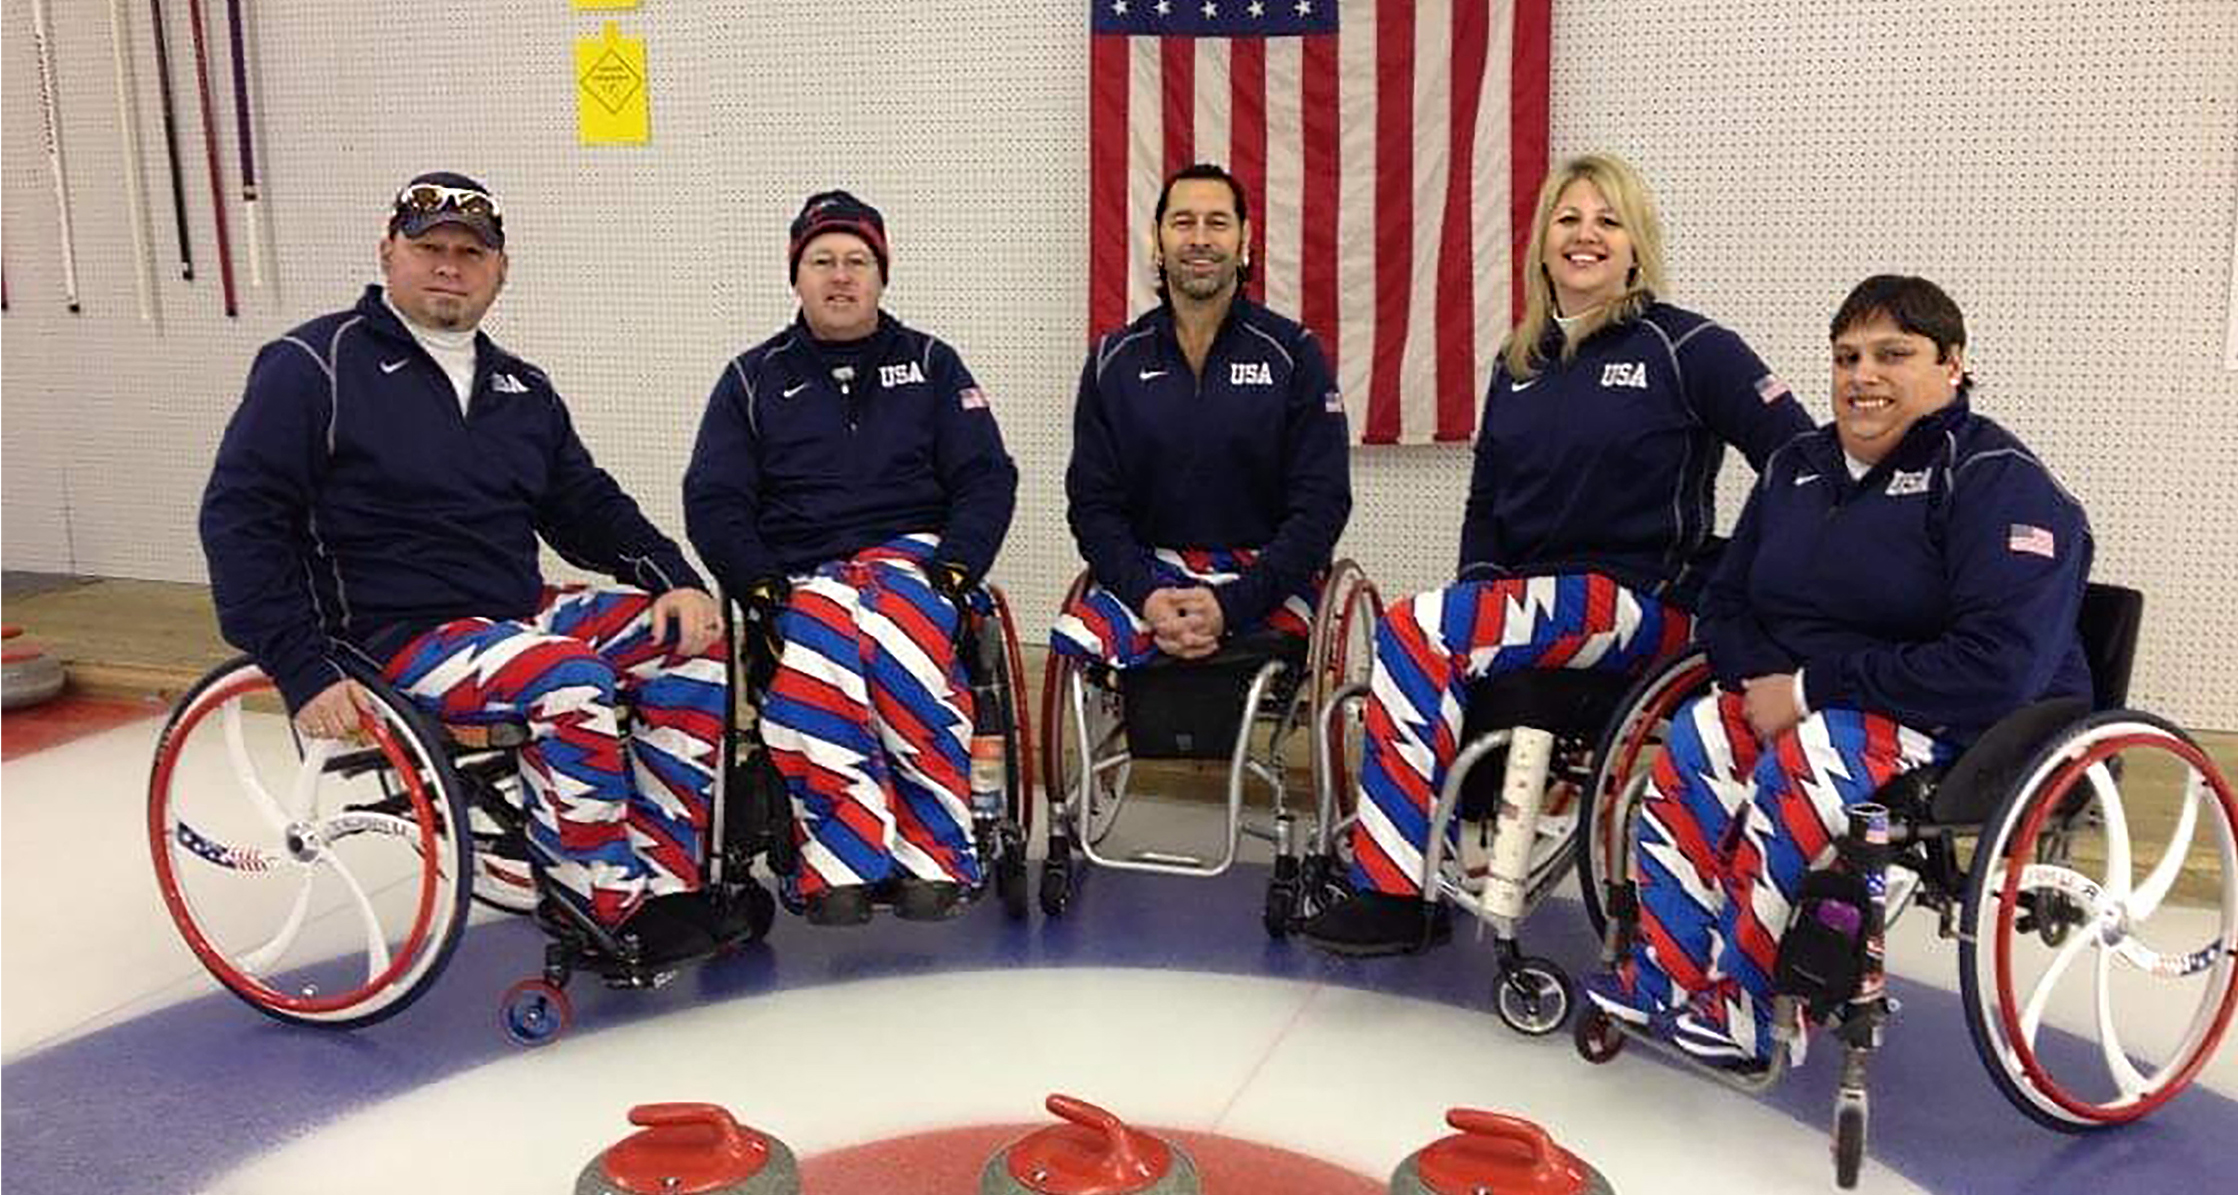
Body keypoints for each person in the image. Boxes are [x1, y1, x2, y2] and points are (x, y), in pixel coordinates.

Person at [200, 171, 735, 963]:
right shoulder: (313, 366)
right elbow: (240, 518)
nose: (450, 266)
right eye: (429, 248)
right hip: (392, 633)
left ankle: (664, 885)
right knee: (567, 676)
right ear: (389, 252)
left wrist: (674, 578)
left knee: (688, 642)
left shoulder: (520, 386)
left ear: (499, 269)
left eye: (469, 252)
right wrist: (299, 666)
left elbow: (585, 503)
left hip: (512, 612)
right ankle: (600, 907)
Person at [1300, 153, 1813, 955]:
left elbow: (1803, 463)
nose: (1586, 236)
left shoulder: (1690, 348)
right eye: (1569, 220)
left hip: (1643, 603)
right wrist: (1480, 586)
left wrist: (1739, 579)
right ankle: (1431, 856)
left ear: (1636, 246)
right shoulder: (1520, 364)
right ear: (1542, 244)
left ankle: (1395, 891)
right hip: (1546, 606)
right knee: (1435, 633)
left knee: (1413, 628)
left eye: (1607, 221)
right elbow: (1486, 504)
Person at [1581, 274, 2092, 1067]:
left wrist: (1810, 691)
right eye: (1848, 355)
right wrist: (1762, 689)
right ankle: (1668, 972)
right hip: (1816, 704)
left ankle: (1756, 1006)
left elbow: (1998, 666)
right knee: (1704, 730)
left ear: (1952, 365)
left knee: (1814, 755)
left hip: (1962, 724)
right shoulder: (1797, 467)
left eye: (1895, 354)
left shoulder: (1997, 480)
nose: (1864, 375)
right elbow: (1725, 604)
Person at [685, 190, 1018, 927]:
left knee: (897, 621)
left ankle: (935, 851)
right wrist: (762, 587)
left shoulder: (933, 364)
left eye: (857, 261)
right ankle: (841, 860)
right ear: (795, 276)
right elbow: (713, 498)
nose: (840, 276)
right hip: (802, 572)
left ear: (881, 275)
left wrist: (957, 570)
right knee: (823, 624)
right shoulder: (751, 379)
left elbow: (987, 476)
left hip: (915, 562)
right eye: (823, 261)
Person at [1053, 162, 1350, 676]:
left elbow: (1322, 505)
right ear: (1158, 240)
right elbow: (1092, 505)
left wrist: (1234, 605)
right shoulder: (1113, 360)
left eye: (1217, 223)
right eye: (1183, 222)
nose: (1199, 239)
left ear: (1244, 241)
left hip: (1267, 577)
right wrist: (1148, 596)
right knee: (1072, 639)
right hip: (1151, 577)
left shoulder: (1294, 353)